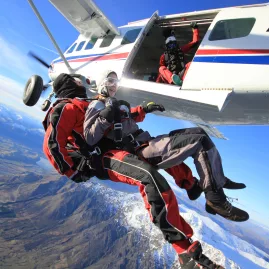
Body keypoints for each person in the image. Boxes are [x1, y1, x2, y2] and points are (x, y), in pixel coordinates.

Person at [43, 72, 224, 268]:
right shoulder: (65, 108)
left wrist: (142, 110)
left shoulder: (86, 102)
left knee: (159, 158)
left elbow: (119, 118)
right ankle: (184, 250)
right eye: (76, 80)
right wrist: (73, 172)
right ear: (69, 84)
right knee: (148, 176)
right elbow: (52, 144)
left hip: (116, 148)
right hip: (99, 159)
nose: (82, 81)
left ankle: (192, 188)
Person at [84, 70, 249, 224]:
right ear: (101, 83)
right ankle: (215, 198)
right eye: (111, 81)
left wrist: (145, 109)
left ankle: (216, 179)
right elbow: (90, 137)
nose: (114, 86)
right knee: (199, 142)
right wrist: (104, 117)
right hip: (138, 151)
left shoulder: (117, 105)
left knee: (199, 132)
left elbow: (128, 117)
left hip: (146, 141)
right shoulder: (97, 106)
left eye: (116, 82)